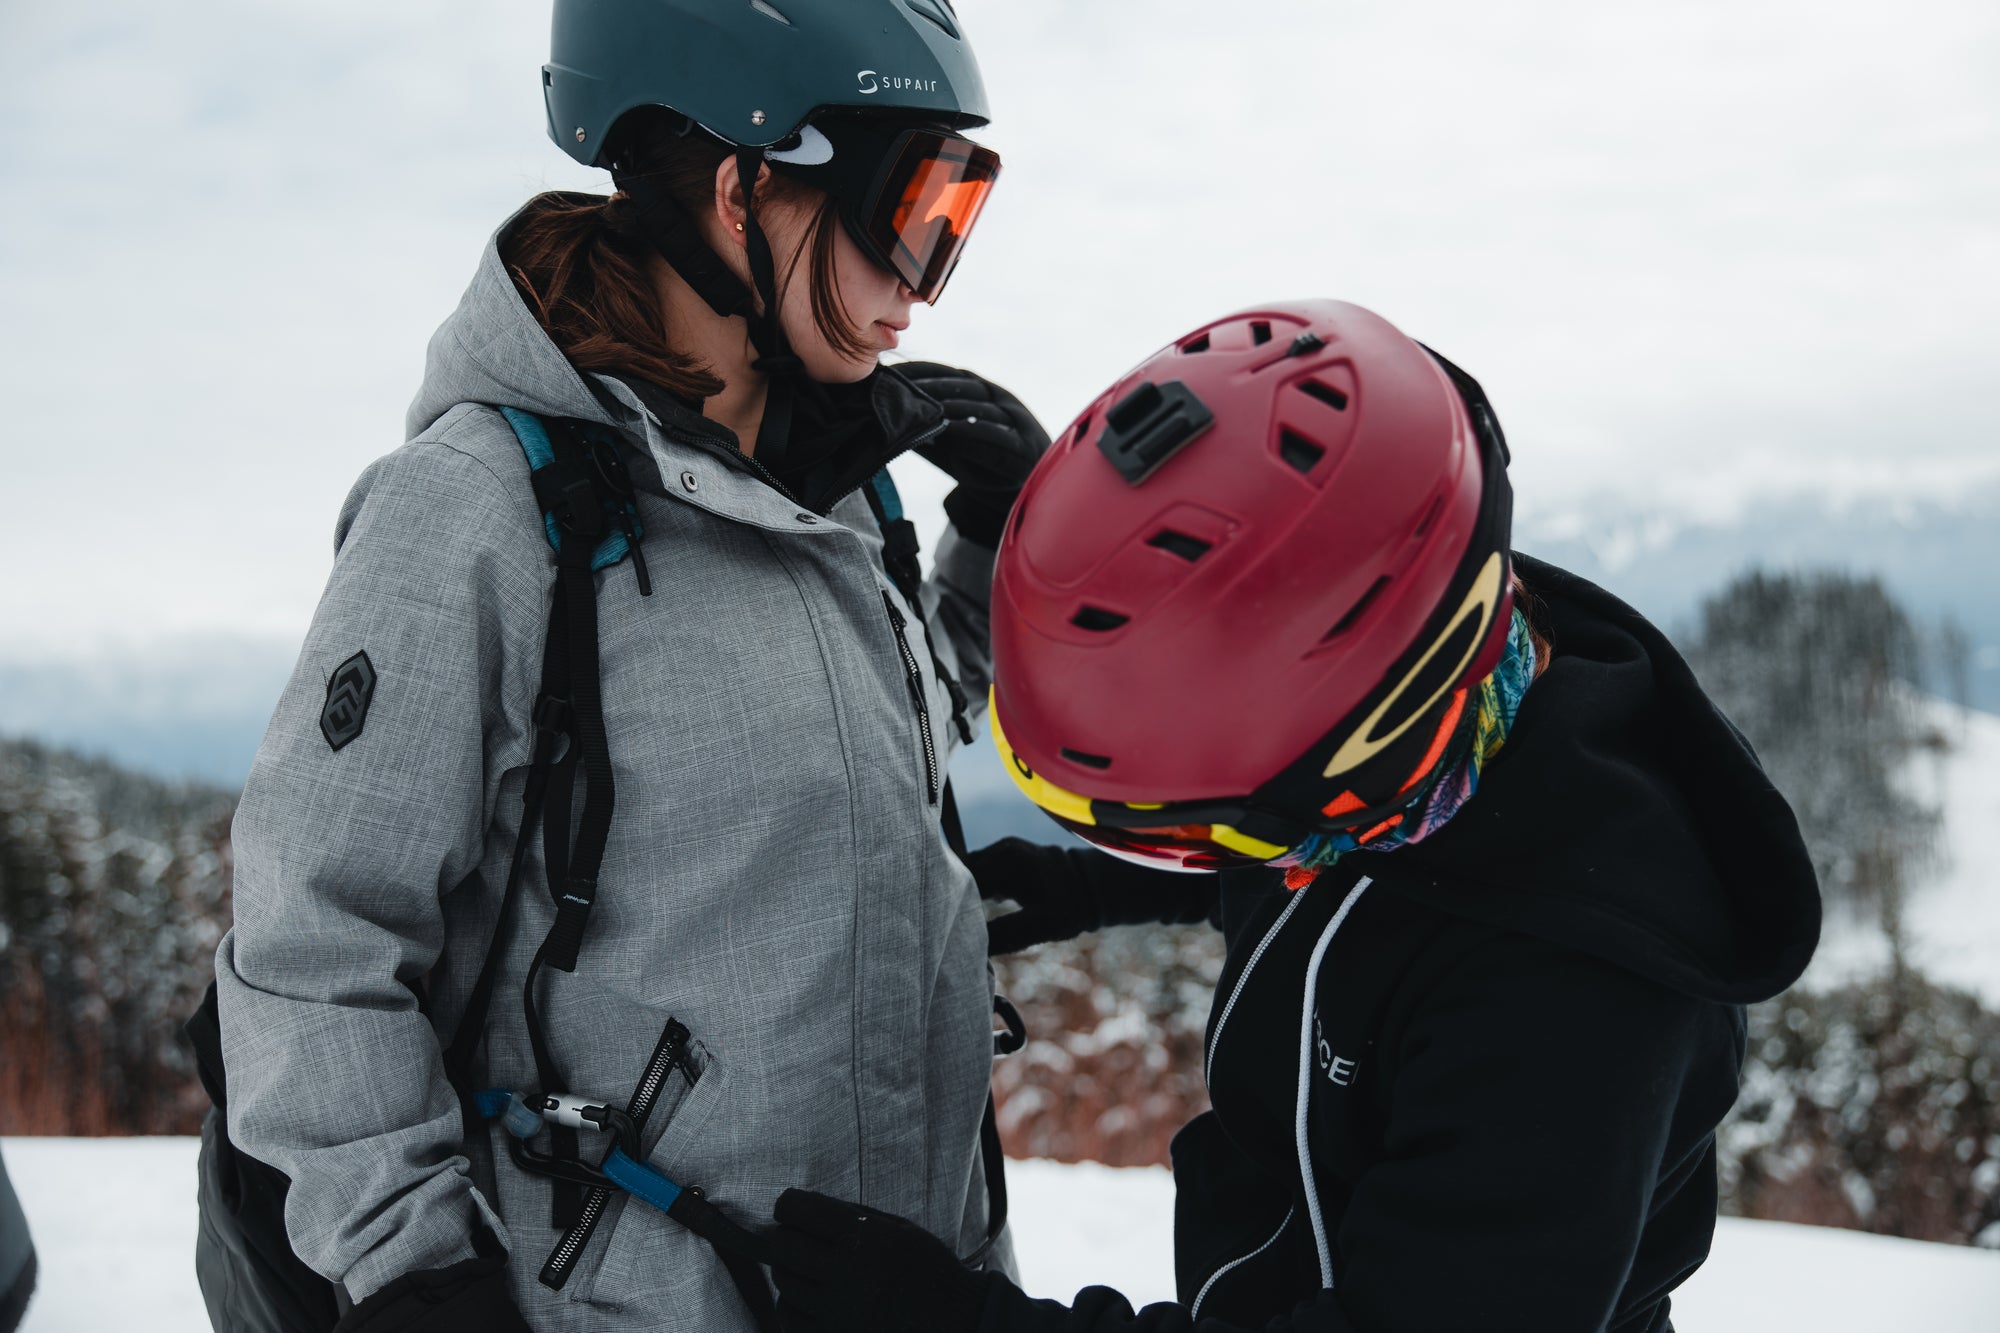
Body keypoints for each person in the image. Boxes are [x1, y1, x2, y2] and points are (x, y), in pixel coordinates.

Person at [210, 1, 1047, 1329]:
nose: (921, 282)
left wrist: (994, 545)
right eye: (907, 209)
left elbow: (881, 749)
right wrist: (412, 1277)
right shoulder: (483, 508)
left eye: (957, 215)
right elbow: (315, 940)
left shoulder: (840, 496)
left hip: (919, 1287)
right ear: (740, 186)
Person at [764, 301, 1823, 1332]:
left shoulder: (1575, 1013)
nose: (1227, 856)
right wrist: (1082, 884)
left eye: (1216, 827)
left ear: (1364, 755)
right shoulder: (1426, 720)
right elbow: (1324, 858)